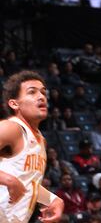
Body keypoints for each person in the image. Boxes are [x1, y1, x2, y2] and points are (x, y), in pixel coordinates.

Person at [0, 71, 65, 223]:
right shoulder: (11, 128)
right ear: (14, 103)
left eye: (43, 92)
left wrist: (53, 200)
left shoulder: (40, 140)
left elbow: (26, 185)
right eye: (32, 92)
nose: (41, 96)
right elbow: (14, 182)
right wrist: (7, 179)